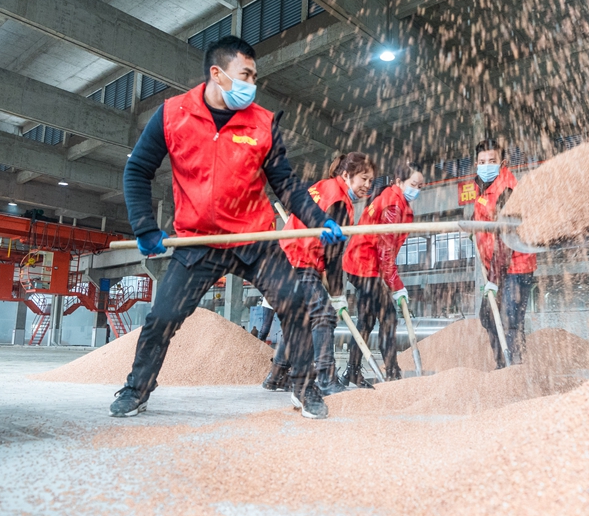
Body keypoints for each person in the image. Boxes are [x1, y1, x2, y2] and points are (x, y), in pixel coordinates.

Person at [112, 35, 345, 420]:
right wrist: (144, 226)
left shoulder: (263, 123)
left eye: (254, 77)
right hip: (199, 241)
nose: (252, 85)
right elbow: (137, 169)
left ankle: (305, 388)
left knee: (297, 304)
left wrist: (320, 222)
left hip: (255, 239)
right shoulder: (173, 114)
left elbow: (285, 184)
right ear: (217, 74)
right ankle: (137, 388)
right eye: (246, 75)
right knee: (163, 318)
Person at [263, 152, 376, 394]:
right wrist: (337, 294)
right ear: (346, 175)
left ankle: (277, 375)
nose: (367, 185)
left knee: (299, 319)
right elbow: (334, 255)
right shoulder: (339, 202)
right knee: (323, 315)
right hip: (300, 261)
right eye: (363, 178)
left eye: (371, 181)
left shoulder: (322, 187)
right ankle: (327, 379)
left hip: (287, 258)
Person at [342, 162, 424, 386]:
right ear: (399, 182)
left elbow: (387, 251)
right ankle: (392, 370)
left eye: (419, 186)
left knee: (367, 320)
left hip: (365, 264)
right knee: (388, 316)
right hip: (364, 265)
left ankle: (353, 369)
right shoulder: (393, 205)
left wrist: (390, 280)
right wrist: (396, 285)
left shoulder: (395, 200)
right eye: (412, 184)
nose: (416, 189)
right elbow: (386, 251)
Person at [472, 139, 537, 368]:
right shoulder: (483, 186)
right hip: (497, 267)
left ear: (503, 162)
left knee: (510, 322)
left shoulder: (506, 188)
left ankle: (515, 372)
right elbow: (483, 218)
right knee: (488, 316)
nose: (486, 165)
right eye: (482, 161)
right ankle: (503, 367)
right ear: (476, 163)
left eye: (492, 161)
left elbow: (505, 241)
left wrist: (492, 279)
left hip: (515, 267)